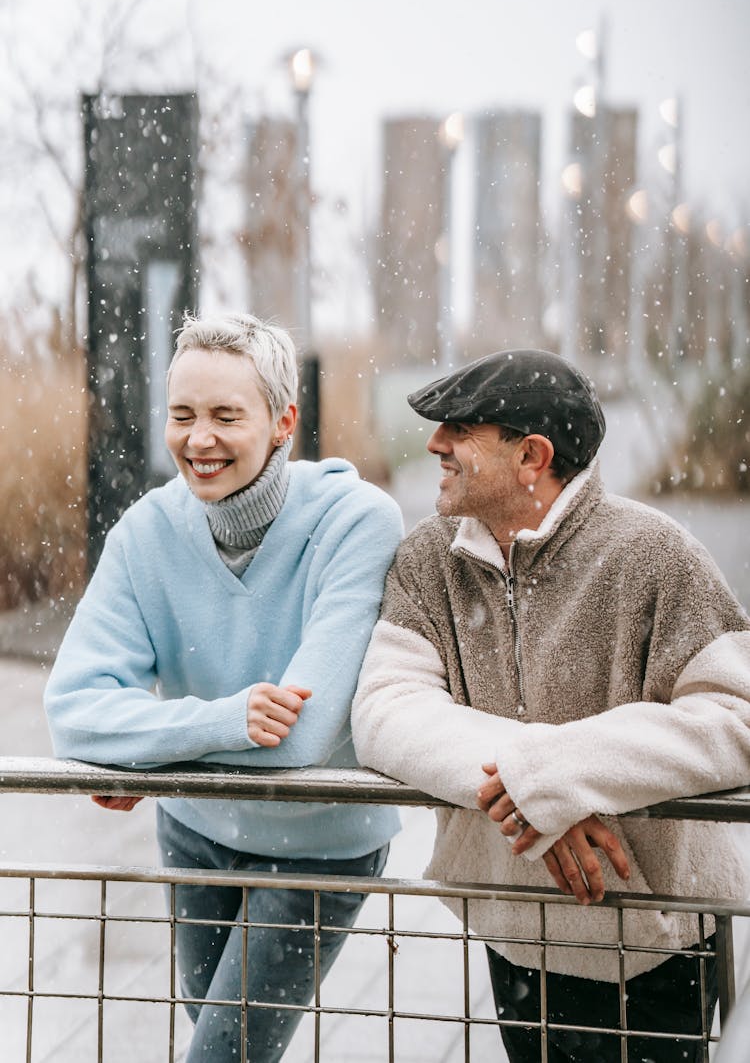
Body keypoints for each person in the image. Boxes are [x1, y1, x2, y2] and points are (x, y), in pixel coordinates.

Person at [352, 348, 750, 1062]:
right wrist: (532, 788)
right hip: (516, 929)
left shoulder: (657, 555)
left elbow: (737, 715)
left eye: (459, 430)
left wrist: (563, 773)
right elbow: (384, 710)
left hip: (654, 947)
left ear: (532, 455)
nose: (435, 444)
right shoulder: (426, 560)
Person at [45, 312, 403, 1063]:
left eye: (224, 415)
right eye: (182, 414)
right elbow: (74, 713)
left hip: (317, 845)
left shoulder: (356, 523)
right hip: (194, 832)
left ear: (283, 422)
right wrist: (221, 721)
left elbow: (300, 739)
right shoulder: (146, 532)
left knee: (219, 1057)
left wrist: (146, 747)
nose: (197, 438)